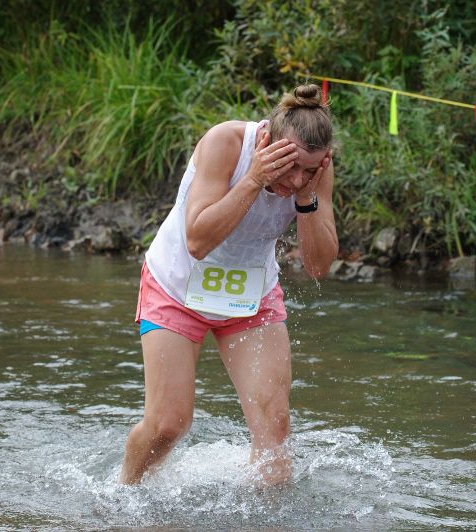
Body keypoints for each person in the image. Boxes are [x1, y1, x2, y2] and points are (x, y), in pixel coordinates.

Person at [120, 83, 337, 486]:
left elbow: (318, 266)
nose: (296, 178)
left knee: (275, 428)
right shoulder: (226, 143)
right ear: (267, 142)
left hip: (251, 295)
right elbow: (197, 241)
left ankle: (265, 514)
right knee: (168, 425)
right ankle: (125, 493)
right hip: (176, 286)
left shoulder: (315, 173)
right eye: (288, 164)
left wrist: (308, 197)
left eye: (308, 170)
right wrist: (254, 178)